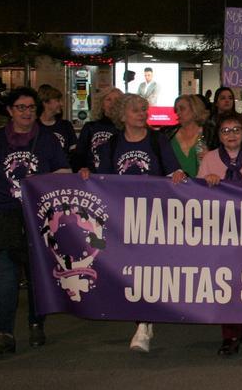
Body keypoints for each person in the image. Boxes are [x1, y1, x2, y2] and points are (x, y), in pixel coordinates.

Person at [0, 87, 71, 355]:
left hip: (37, 219)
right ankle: (4, 333)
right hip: (3, 216)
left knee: (37, 277)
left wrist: (45, 184)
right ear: (10, 111)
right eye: (21, 107)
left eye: (31, 107)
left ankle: (36, 324)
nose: (27, 113)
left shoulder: (47, 140)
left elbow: (63, 171)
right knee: (5, 279)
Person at [80, 93, 185, 353]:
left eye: (143, 109)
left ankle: (143, 324)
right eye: (136, 110)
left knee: (148, 270)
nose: (141, 114)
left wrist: (180, 174)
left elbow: (172, 171)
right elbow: (102, 180)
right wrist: (86, 175)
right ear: (122, 115)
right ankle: (144, 320)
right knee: (134, 272)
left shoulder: (158, 140)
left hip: (154, 217)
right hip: (123, 219)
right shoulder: (112, 145)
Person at [198, 112, 242, 356]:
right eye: (226, 130)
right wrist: (207, 181)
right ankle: (230, 335)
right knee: (226, 281)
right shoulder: (209, 159)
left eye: (236, 129)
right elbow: (196, 195)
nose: (231, 135)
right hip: (222, 229)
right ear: (218, 135)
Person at [72, 88, 122, 172]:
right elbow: (79, 156)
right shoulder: (90, 127)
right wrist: (81, 169)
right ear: (102, 104)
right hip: (92, 178)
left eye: (117, 100)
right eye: (108, 99)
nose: (112, 103)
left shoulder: (126, 128)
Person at [163, 95, 209, 178]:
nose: (178, 113)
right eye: (176, 110)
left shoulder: (210, 133)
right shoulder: (167, 134)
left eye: (182, 108)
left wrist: (211, 156)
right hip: (173, 187)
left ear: (195, 109)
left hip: (203, 186)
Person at [37, 84, 77, 158]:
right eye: (58, 100)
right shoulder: (34, 126)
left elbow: (74, 151)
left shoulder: (66, 125)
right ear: (45, 103)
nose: (61, 104)